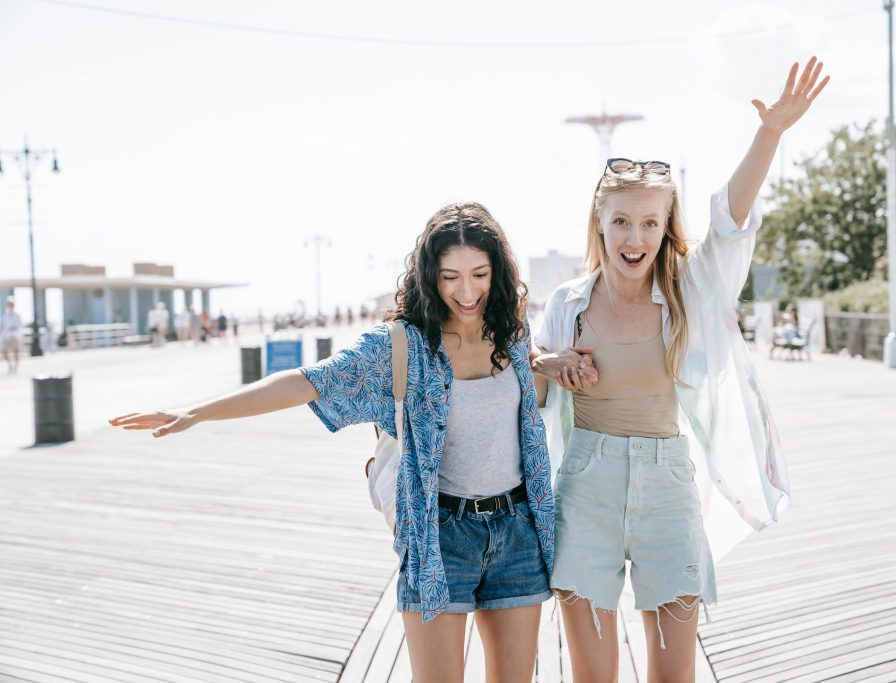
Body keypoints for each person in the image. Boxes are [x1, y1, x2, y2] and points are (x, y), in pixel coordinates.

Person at [109, 202, 554, 683]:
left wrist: (558, 361)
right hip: (439, 536)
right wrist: (196, 412)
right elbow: (305, 382)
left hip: (517, 530)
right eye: (451, 277)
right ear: (431, 276)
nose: (466, 292)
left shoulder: (512, 331)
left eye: (479, 275)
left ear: (497, 272)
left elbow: (535, 385)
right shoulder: (401, 345)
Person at [533, 57, 828, 682]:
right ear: (599, 223)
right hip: (584, 487)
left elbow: (730, 221)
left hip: (667, 488)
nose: (634, 238)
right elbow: (525, 391)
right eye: (620, 221)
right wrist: (547, 362)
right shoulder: (567, 304)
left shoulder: (691, 290)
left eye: (650, 222)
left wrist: (769, 132)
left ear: (666, 227)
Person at [1, 297, 23, 373]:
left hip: (15, 336)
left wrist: (13, 329)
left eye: (11, 304)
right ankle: (10, 365)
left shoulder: (17, 315)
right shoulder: (4, 315)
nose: (10, 306)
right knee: (3, 352)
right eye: (9, 304)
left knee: (16, 352)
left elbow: (19, 325)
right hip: (6, 336)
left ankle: (15, 367)